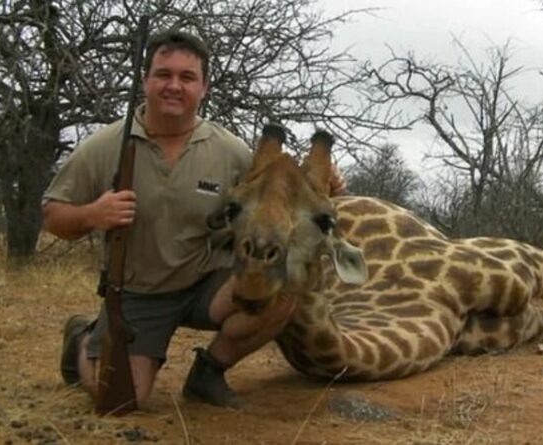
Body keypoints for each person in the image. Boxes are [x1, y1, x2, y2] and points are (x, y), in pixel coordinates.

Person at [42, 29, 346, 409]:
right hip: (140, 294)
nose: (174, 86)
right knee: (120, 400)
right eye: (163, 74)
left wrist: (326, 183)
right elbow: (53, 214)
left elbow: (284, 189)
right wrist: (92, 214)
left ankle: (209, 372)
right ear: (145, 80)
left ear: (204, 87)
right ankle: (81, 340)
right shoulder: (106, 146)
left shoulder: (230, 150)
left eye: (187, 77)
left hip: (207, 283)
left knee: (281, 291)